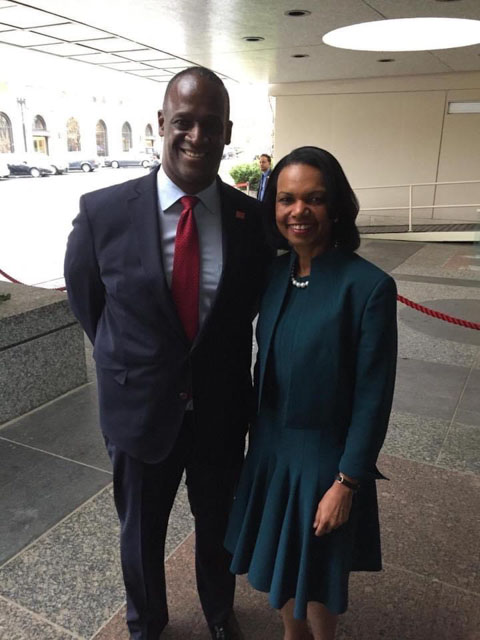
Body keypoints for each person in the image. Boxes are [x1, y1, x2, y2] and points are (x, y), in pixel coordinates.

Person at [64, 66, 271, 640]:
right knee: (141, 530)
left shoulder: (250, 222)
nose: (197, 136)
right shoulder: (103, 214)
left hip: (220, 410)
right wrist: (132, 361)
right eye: (183, 122)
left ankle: (218, 612)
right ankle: (146, 623)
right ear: (162, 124)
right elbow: (89, 303)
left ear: (228, 131)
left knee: (218, 523)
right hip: (139, 410)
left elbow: (247, 306)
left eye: (210, 124)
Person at [225, 146, 397, 640]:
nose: (298, 211)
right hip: (272, 452)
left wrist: (348, 481)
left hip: (326, 463)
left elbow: (374, 396)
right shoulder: (276, 274)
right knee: (282, 570)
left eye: (314, 199)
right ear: (272, 207)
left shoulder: (367, 287)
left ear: (336, 206)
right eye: (286, 199)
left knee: (318, 581)